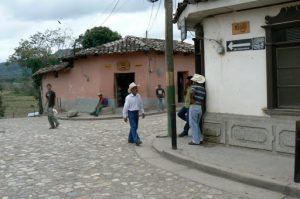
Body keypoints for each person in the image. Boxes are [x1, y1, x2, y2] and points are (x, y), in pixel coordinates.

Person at [188, 74, 206, 145]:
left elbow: (191, 93)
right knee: (196, 124)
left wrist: (192, 100)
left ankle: (195, 141)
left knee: (193, 124)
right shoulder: (203, 89)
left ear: (195, 81)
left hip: (194, 106)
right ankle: (200, 138)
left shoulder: (194, 86)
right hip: (199, 107)